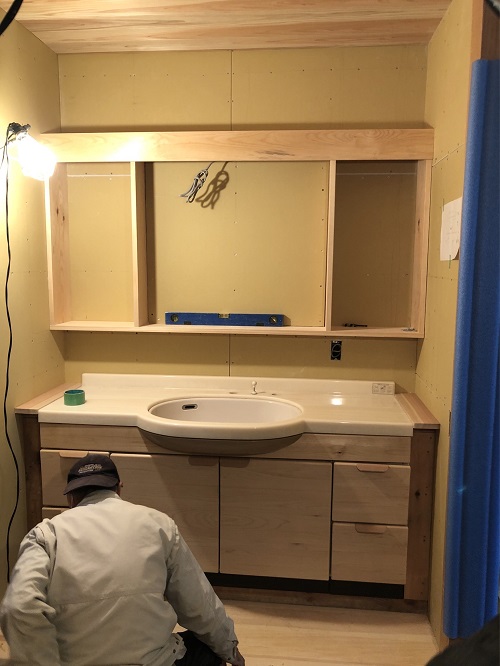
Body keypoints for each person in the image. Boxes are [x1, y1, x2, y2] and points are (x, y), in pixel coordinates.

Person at [0, 453, 245, 666]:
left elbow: (18, 607)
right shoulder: (158, 524)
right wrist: (230, 649)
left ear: (71, 498)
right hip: (152, 661)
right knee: (206, 646)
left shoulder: (45, 535)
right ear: (119, 488)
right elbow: (199, 605)